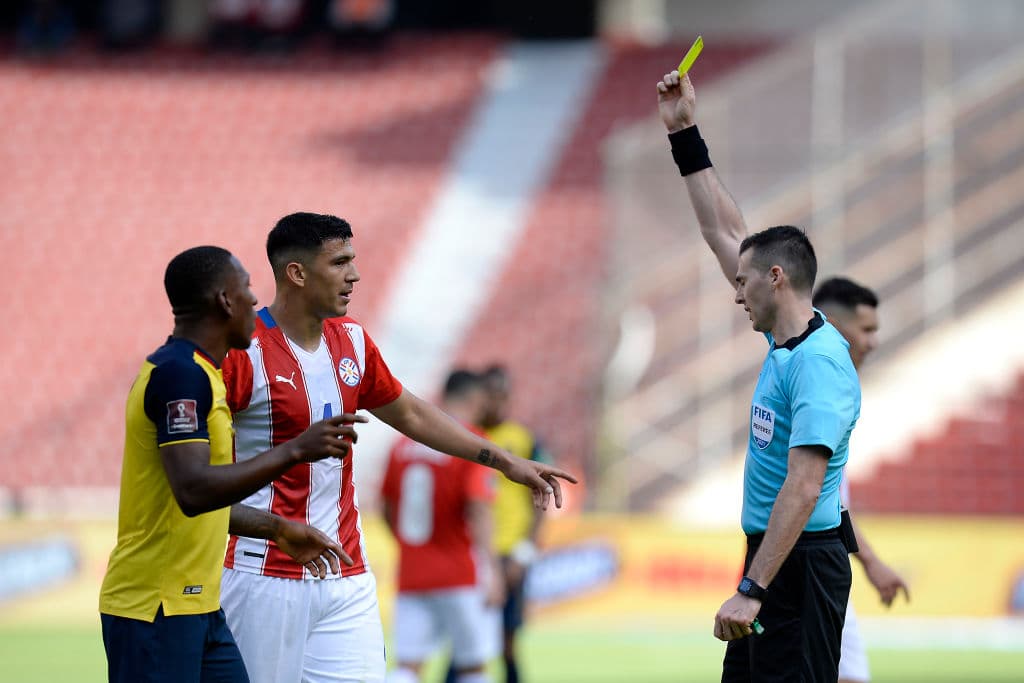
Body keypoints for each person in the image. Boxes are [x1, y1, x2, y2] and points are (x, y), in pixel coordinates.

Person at [219, 212, 576, 683]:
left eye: (354, 260)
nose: (355, 275)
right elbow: (201, 481)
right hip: (264, 575)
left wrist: (504, 460)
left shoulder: (351, 342)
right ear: (297, 273)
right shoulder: (242, 356)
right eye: (340, 262)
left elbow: (408, 412)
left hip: (346, 574)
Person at [657, 71, 862, 683]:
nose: (734, 293)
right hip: (776, 558)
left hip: (798, 565)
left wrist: (752, 588)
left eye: (743, 281)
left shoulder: (819, 364)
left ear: (776, 278)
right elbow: (720, 229)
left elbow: (803, 489)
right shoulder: (785, 341)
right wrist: (683, 132)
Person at [98, 245, 365, 683]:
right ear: (224, 300)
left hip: (200, 605)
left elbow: (202, 500)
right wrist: (295, 450)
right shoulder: (178, 375)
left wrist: (276, 528)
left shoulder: (202, 373)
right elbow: (194, 490)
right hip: (155, 606)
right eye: (246, 288)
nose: (256, 301)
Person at [812, 277, 911, 683]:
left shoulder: (838, 385)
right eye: (866, 330)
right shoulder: (817, 386)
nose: (873, 341)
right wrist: (871, 562)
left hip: (827, 567)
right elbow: (814, 493)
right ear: (833, 324)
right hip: (809, 569)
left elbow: (834, 500)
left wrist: (869, 563)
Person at [381, 369, 502, 683]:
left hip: (413, 572)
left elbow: (386, 507)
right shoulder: (474, 443)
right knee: (473, 667)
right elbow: (479, 509)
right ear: (475, 399)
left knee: (407, 667)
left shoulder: (401, 446)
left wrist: (410, 546)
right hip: (461, 572)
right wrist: (492, 569)